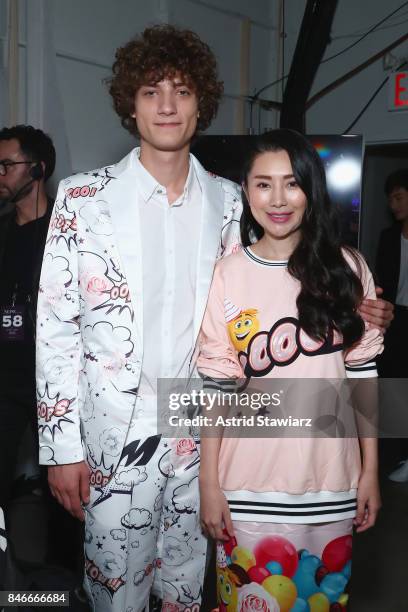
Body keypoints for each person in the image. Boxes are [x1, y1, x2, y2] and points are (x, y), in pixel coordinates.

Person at [36, 26, 392, 612]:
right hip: (110, 441)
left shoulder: (231, 200)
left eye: (182, 91)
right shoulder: (80, 199)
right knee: (114, 598)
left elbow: (284, 284)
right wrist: (62, 448)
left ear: (202, 103)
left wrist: (364, 312)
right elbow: (54, 331)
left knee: (187, 592)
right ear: (130, 104)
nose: (168, 105)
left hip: (206, 441)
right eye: (151, 91)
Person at [198, 129, 383, 611]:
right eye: (263, 184)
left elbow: (363, 378)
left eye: (291, 184)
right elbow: (215, 388)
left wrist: (370, 473)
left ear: (310, 191)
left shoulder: (347, 268)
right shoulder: (226, 275)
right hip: (245, 488)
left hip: (331, 484)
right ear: (245, 190)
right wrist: (210, 485)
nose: (278, 199)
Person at [0, 125, 56, 514]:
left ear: (37, 170)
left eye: (6, 166)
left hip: (52, 380)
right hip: (6, 376)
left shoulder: (65, 232)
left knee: (62, 489)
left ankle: (63, 572)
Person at [376, 168, 408, 483]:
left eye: (399, 196)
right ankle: (398, 455)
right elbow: (382, 282)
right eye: (391, 197)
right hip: (396, 320)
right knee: (394, 387)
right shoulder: (389, 237)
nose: (393, 204)